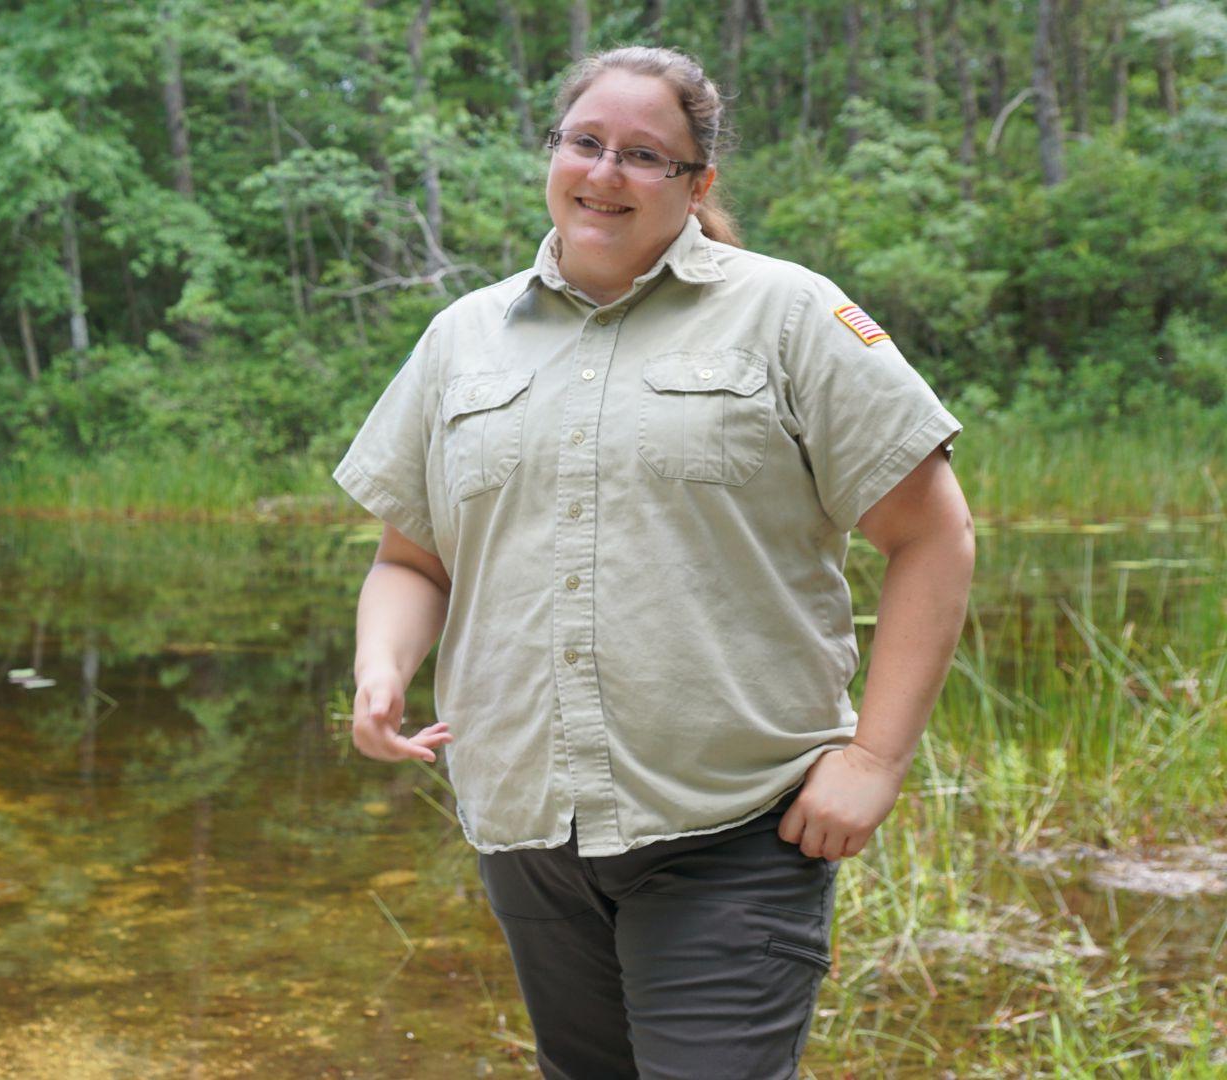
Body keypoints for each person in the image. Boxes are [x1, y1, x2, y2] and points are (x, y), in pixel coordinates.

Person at [333, 45, 975, 1079]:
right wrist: (380, 670)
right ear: (553, 151)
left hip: (733, 827)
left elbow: (933, 536)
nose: (606, 173)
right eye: (585, 142)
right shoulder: (464, 339)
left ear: (698, 183)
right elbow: (412, 560)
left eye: (646, 155)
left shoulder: (790, 314)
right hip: (528, 830)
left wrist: (874, 762)